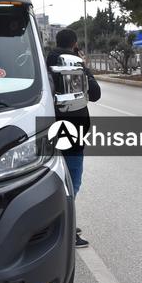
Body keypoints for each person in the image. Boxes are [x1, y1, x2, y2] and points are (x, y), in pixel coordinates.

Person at [46, 28, 101, 247]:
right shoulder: (75, 64)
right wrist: (85, 67)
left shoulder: (44, 62)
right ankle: (66, 230)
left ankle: (56, 225)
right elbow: (95, 94)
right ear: (75, 44)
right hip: (72, 132)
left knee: (51, 183)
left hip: (45, 130)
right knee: (71, 184)